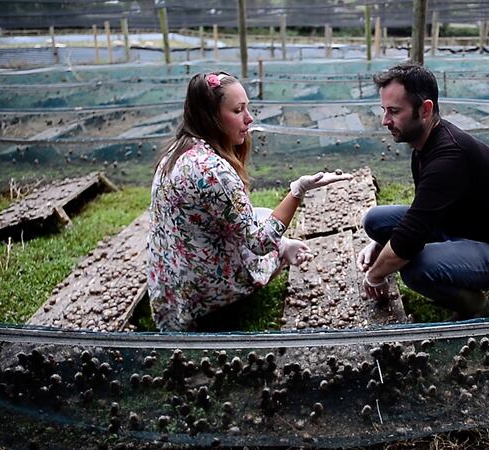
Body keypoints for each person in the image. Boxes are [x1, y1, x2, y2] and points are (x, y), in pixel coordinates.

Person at [148, 71, 351, 331]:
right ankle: (278, 258)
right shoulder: (213, 171)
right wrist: (298, 190)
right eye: (238, 110)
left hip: (172, 283)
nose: (249, 118)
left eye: (247, 108)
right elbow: (259, 243)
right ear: (210, 117)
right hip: (203, 288)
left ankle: (284, 247)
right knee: (269, 231)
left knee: (262, 212)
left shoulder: (176, 152)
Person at [358, 63, 489, 320]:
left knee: (416, 268)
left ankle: (476, 308)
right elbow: (423, 214)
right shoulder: (425, 143)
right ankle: (449, 261)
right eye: (384, 110)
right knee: (375, 221)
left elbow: (409, 238)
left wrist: (374, 277)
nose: (385, 121)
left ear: (425, 109)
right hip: (459, 228)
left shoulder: (449, 157)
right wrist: (380, 244)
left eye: (394, 111)